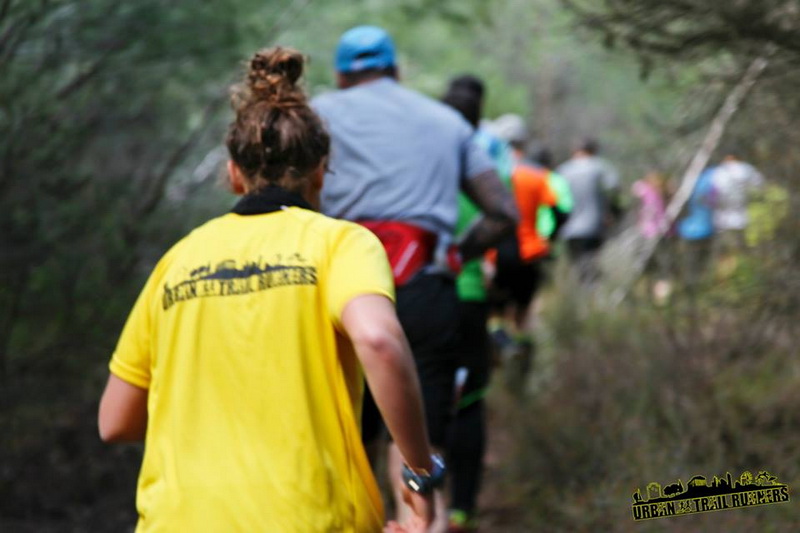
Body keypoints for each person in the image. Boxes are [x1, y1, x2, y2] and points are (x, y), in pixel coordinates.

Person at [98, 47, 439, 533]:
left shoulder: (178, 261)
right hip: (310, 519)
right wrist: (419, 470)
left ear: (234, 173)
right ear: (321, 169)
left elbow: (115, 422)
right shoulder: (340, 244)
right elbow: (379, 340)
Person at [312, 27, 518, 529]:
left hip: (338, 294)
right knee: (418, 451)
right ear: (396, 70)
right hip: (425, 288)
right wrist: (457, 253)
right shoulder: (449, 123)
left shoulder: (315, 117)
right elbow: (502, 213)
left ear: (340, 74)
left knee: (344, 442)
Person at [440, 75, 514, 532]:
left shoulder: (420, 163)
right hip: (468, 295)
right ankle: (462, 510)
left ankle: (414, 509)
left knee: (419, 402)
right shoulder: (487, 167)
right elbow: (504, 224)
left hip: (417, 297)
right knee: (468, 401)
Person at [485, 113, 563, 393]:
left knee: (495, 312)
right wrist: (549, 238)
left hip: (496, 253)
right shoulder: (538, 175)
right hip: (530, 252)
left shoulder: (491, 173)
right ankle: (522, 375)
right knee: (524, 314)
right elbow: (559, 209)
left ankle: (498, 363)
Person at [555, 137, 621, 283]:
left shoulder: (563, 170)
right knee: (591, 266)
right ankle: (593, 293)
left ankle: (583, 292)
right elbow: (614, 189)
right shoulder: (600, 166)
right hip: (594, 226)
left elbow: (554, 199)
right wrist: (612, 212)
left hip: (569, 229)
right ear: (594, 150)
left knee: (579, 267)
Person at [710, 151, 765, 249]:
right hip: (743, 217)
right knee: (743, 246)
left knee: (727, 248)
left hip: (723, 219)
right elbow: (760, 186)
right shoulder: (747, 169)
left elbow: (713, 194)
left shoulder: (718, 172)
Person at [677, 166, 717, 289]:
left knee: (690, 262)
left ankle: (691, 286)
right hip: (706, 228)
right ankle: (704, 285)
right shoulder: (711, 179)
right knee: (704, 261)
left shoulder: (687, 182)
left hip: (688, 230)